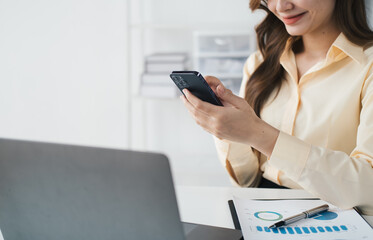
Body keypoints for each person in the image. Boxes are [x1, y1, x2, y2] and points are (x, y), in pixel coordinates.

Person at [181, 0, 373, 215]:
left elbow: (369, 189)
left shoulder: (368, 66)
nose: (280, 6)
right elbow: (247, 180)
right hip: (262, 210)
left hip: (336, 216)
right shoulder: (259, 64)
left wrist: (260, 135)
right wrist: (226, 129)